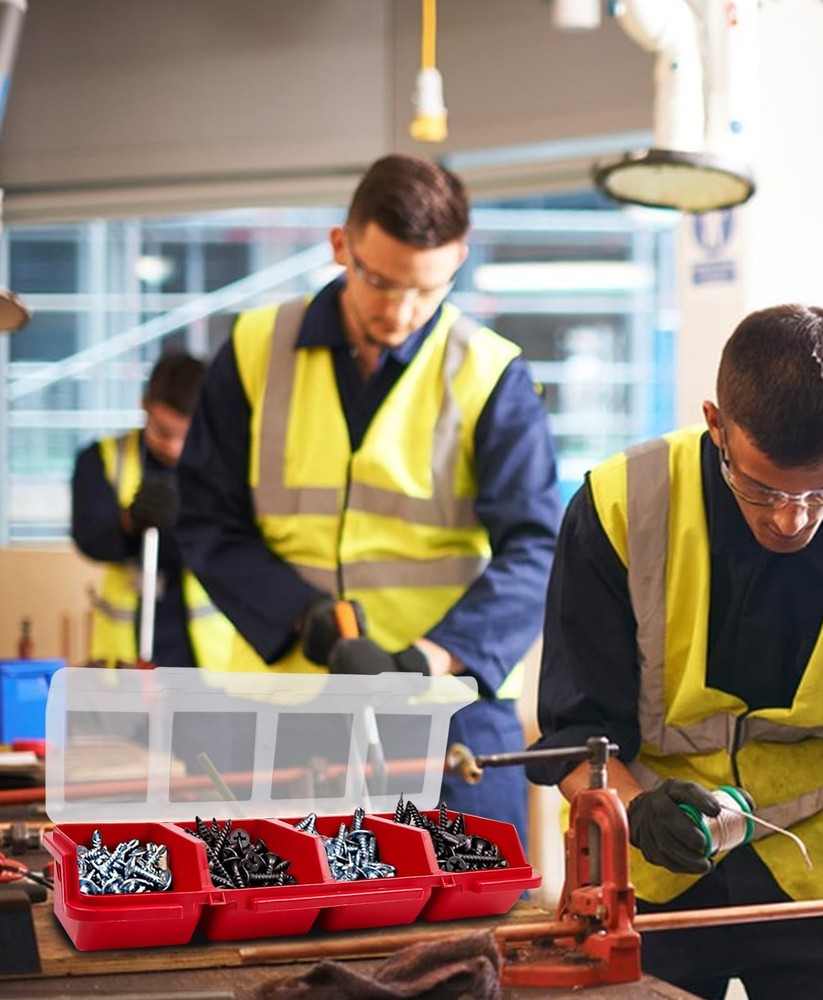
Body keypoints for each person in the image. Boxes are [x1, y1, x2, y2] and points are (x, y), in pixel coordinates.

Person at [526, 304, 823, 1000]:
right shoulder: (621, 505)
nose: (792, 518)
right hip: (651, 872)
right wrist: (635, 810)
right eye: (762, 487)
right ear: (716, 424)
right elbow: (572, 735)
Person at [175, 154, 562, 847]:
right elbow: (206, 518)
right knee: (276, 903)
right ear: (340, 246)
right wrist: (304, 619)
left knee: (472, 909)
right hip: (285, 705)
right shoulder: (255, 349)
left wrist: (428, 660)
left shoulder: (490, 373)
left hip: (448, 708)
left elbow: (537, 548)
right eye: (379, 281)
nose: (399, 311)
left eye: (426, 289)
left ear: (458, 262)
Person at [72, 349, 233, 669]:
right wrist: (130, 521)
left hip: (209, 664)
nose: (173, 447)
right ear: (144, 405)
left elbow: (231, 545)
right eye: (163, 431)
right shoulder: (103, 458)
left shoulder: (224, 466)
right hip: (125, 659)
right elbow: (90, 537)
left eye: (186, 435)